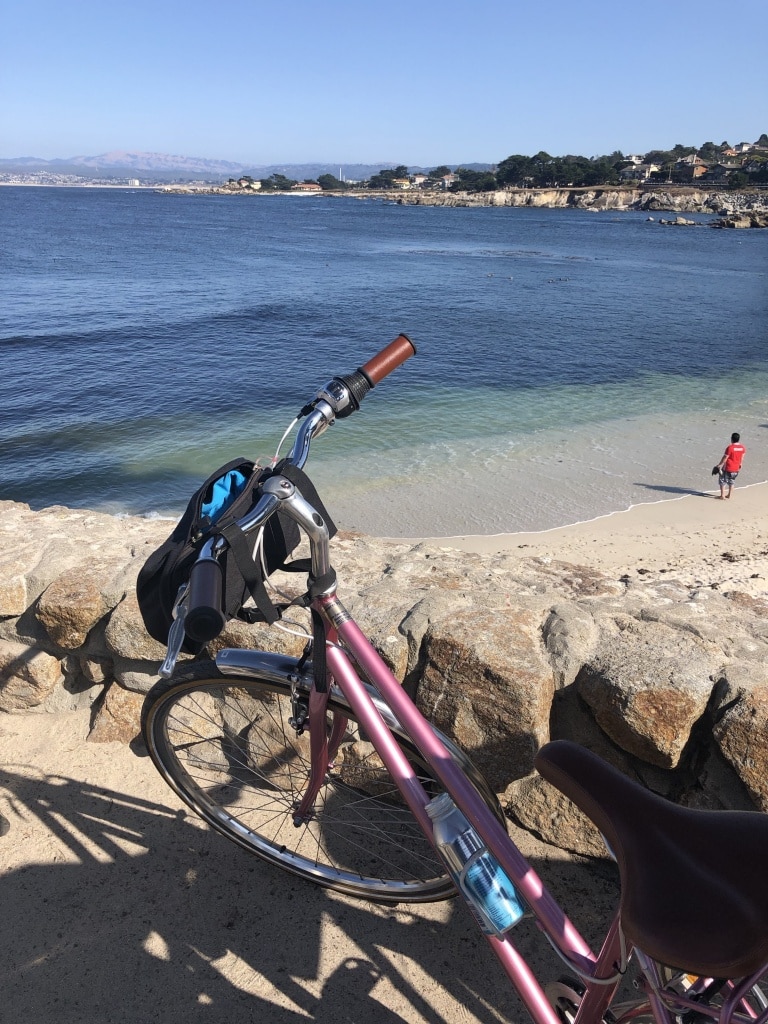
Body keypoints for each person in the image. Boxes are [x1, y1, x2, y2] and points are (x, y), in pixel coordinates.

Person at [715, 432, 746, 499]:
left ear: (731, 439)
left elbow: (725, 457)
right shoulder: (742, 448)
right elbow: (742, 457)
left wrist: (719, 464)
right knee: (732, 481)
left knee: (722, 480)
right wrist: (740, 464)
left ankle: (722, 495)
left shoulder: (730, 447)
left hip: (728, 467)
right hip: (736, 468)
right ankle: (729, 495)